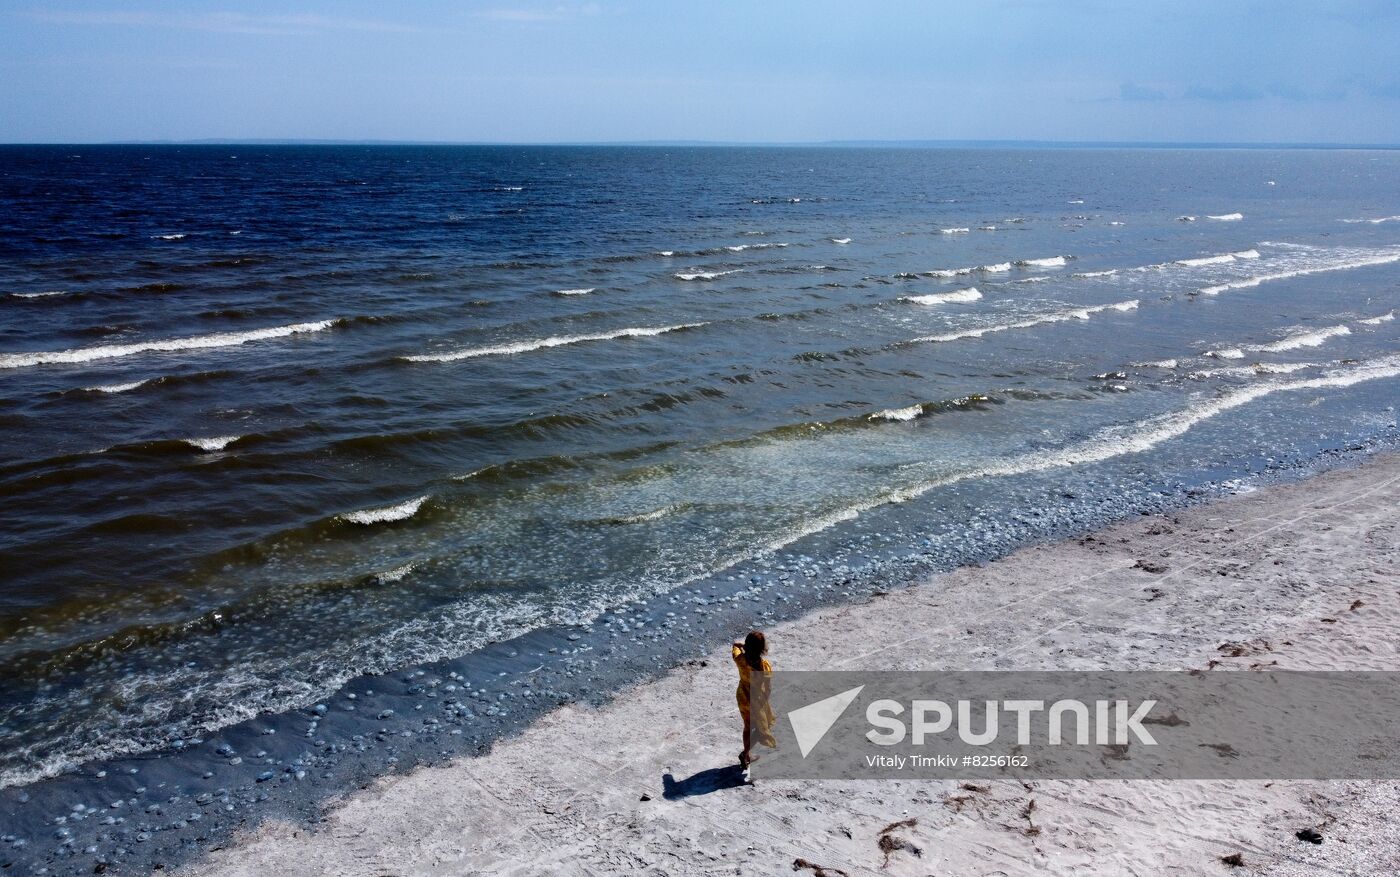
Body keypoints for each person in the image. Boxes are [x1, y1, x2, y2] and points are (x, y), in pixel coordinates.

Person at [732, 630, 777, 767]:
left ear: (747, 645)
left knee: (747, 726)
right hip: (757, 699)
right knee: (764, 725)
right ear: (762, 649)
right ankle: (745, 753)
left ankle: (746, 754)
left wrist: (741, 646)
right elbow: (768, 687)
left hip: (743, 696)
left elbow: (735, 646)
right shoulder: (764, 666)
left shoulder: (739, 659)